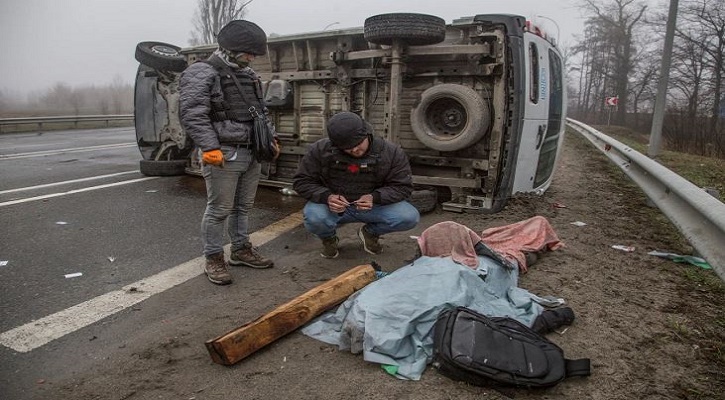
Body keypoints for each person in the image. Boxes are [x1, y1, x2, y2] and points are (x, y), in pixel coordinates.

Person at [179, 20, 279, 285]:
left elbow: (261, 111)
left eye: (255, 53)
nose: (252, 57)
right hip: (224, 152)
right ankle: (213, 258)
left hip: (252, 151)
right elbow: (192, 113)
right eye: (249, 52)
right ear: (231, 48)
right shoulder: (202, 71)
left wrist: (270, 139)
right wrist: (209, 147)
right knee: (219, 209)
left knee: (242, 207)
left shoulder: (249, 75)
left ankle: (241, 249)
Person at [293, 112, 420, 258]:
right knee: (314, 217)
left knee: (408, 217)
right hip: (333, 207)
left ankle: (370, 233)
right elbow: (301, 181)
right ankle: (328, 238)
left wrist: (376, 197)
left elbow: (403, 187)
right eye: (347, 148)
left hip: (373, 206)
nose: (354, 150)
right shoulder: (320, 150)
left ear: (367, 134)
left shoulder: (391, 152)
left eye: (358, 144)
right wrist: (326, 197)